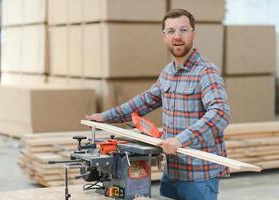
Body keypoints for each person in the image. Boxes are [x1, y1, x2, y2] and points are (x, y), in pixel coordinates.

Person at [86, 8, 230, 200]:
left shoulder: (206, 72)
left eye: (183, 30)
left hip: (199, 175)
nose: (177, 36)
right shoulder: (168, 73)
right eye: (171, 31)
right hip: (172, 170)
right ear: (164, 37)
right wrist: (106, 117)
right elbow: (144, 101)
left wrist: (181, 139)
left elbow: (220, 114)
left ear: (193, 33)